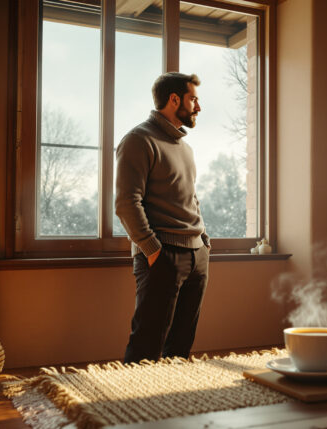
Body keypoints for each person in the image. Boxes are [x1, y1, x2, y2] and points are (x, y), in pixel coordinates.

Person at [115, 72, 210, 363]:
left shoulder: (186, 147)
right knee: (146, 347)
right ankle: (127, 407)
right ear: (174, 99)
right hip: (163, 256)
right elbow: (126, 202)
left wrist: (203, 239)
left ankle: (169, 405)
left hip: (197, 255)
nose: (198, 107)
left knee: (180, 347)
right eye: (193, 99)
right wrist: (152, 249)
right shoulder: (138, 140)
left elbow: (191, 197)